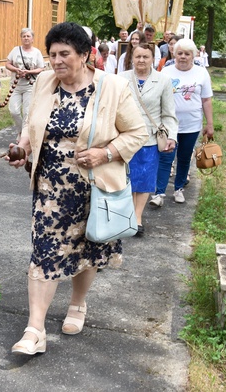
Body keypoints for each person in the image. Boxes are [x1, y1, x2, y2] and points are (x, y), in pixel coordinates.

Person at [8, 22, 147, 355]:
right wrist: (24, 147)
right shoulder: (44, 81)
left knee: (88, 251)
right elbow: (32, 122)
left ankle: (78, 304)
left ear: (85, 55)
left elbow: (138, 132)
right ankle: (35, 329)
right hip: (49, 190)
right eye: (52, 54)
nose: (56, 61)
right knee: (43, 254)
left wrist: (105, 153)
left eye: (64, 54)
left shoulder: (112, 87)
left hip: (92, 187)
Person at [119, 43, 177, 236]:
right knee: (126, 178)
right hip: (124, 136)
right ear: (132, 58)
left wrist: (172, 137)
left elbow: (169, 114)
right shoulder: (120, 79)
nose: (141, 60)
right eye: (138, 57)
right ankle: (126, 214)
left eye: (146, 57)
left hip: (149, 139)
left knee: (144, 179)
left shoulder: (163, 81)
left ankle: (137, 218)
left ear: (153, 58)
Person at [150, 38, 214, 207]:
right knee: (165, 157)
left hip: (191, 125)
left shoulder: (201, 73)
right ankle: (159, 193)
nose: (183, 57)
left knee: (184, 158)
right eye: (180, 53)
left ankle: (178, 189)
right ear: (174, 54)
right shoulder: (166, 72)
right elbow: (157, 98)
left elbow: (206, 100)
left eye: (187, 54)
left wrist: (210, 124)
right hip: (169, 125)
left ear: (193, 56)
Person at [5, 28, 45, 141]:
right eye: (24, 36)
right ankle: (21, 130)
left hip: (30, 86)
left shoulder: (36, 52)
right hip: (15, 85)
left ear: (32, 39)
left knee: (27, 112)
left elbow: (41, 68)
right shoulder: (15, 50)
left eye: (28, 36)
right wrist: (16, 70)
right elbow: (7, 64)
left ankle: (24, 136)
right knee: (14, 111)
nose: (26, 38)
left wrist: (29, 72)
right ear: (21, 38)